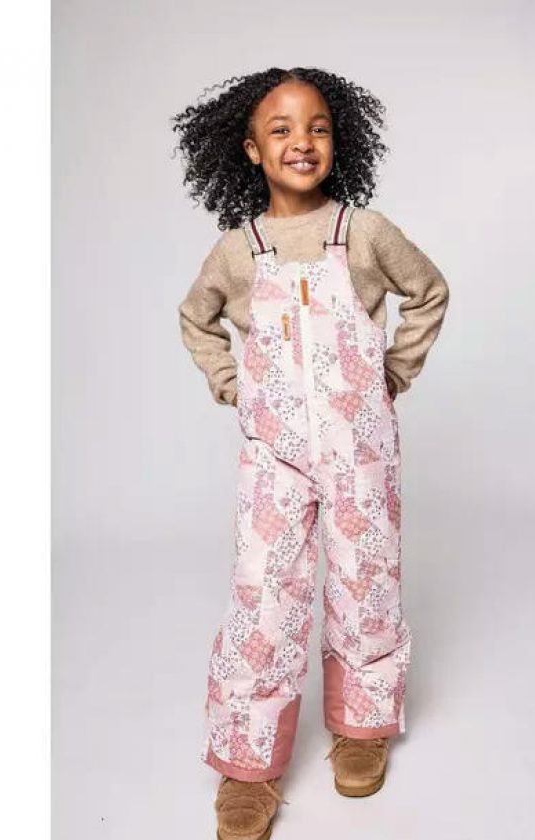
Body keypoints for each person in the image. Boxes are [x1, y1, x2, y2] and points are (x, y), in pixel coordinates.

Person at [171, 67, 449, 840]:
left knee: (365, 582)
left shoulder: (363, 233)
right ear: (251, 150)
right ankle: (247, 764)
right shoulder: (240, 251)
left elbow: (428, 291)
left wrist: (392, 373)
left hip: (360, 449)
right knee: (264, 598)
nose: (302, 141)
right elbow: (196, 318)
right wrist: (231, 384)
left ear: (338, 140)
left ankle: (362, 724)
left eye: (318, 127)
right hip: (275, 456)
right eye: (282, 129)